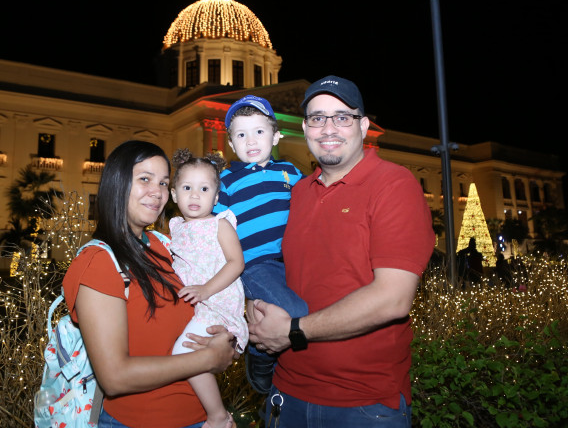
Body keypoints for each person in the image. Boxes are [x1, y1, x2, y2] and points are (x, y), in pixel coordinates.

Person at [247, 76, 435, 427]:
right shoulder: (296, 193)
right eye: (317, 118)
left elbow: (393, 299)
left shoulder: (394, 185)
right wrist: (252, 307)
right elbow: (265, 263)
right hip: (286, 395)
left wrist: (293, 330)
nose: (328, 128)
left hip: (363, 405)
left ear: (363, 126)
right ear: (305, 129)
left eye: (342, 117)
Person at [62, 140, 237, 428]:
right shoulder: (98, 262)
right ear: (118, 183)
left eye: (164, 183)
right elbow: (115, 377)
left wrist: (224, 338)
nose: (157, 192)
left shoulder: (165, 245)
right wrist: (209, 358)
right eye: (145, 179)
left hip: (203, 417)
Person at [214, 94, 307, 394]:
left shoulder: (291, 172)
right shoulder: (226, 180)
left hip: (292, 261)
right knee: (296, 311)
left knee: (305, 308)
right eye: (241, 135)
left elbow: (314, 203)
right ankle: (259, 353)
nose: (251, 140)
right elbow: (215, 226)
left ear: (276, 136)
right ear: (231, 143)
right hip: (254, 265)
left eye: (258, 131)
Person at [168, 149, 248, 428]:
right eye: (187, 188)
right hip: (196, 306)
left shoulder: (220, 224)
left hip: (217, 304)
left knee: (183, 353)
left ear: (215, 197)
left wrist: (206, 290)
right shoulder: (175, 228)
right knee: (185, 353)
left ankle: (218, 416)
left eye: (204, 189)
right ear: (174, 194)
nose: (194, 195)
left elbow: (236, 263)